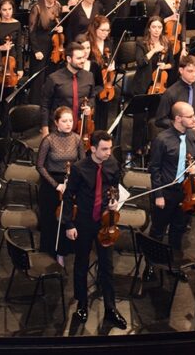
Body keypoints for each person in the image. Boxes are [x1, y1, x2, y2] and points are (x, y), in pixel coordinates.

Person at [61, 130, 126, 328]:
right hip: (84, 222)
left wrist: (114, 201)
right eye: (104, 149)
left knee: (107, 266)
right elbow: (67, 197)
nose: (108, 153)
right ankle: (82, 303)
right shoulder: (80, 169)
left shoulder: (112, 164)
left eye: (110, 148)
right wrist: (69, 225)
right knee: (81, 264)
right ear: (93, 148)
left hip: (105, 222)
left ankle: (110, 308)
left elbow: (114, 187)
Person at [148, 101, 195, 252]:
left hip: (186, 193)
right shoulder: (162, 139)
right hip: (166, 191)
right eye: (190, 117)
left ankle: (173, 263)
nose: (194, 120)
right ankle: (151, 265)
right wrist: (158, 195)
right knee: (158, 231)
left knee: (178, 230)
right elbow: (154, 169)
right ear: (178, 118)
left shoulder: (193, 136)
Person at [35, 106, 84, 262]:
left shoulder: (77, 139)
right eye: (64, 121)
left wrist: (74, 183)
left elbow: (82, 164)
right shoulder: (48, 140)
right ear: (56, 123)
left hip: (70, 182)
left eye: (70, 120)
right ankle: (50, 252)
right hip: (51, 183)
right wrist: (56, 185)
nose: (69, 124)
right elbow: (40, 166)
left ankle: (63, 252)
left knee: (67, 217)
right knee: (51, 219)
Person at [130, 16, 174, 150]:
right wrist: (154, 50)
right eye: (154, 27)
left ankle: (152, 147)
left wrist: (165, 66)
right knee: (139, 120)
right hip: (142, 86)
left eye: (159, 27)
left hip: (159, 86)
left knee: (154, 119)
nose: (156, 30)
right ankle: (137, 148)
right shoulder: (141, 43)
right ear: (149, 28)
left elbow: (172, 64)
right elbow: (140, 62)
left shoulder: (167, 43)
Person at [40, 42, 96, 135]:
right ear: (69, 59)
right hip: (58, 129)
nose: (83, 60)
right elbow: (45, 105)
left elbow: (92, 96)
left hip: (81, 127)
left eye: (83, 57)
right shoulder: (54, 78)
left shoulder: (89, 76)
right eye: (78, 58)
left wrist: (89, 106)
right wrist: (45, 129)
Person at [154, 54, 195, 130]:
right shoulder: (170, 92)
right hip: (175, 135)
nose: (194, 75)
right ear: (181, 70)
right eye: (190, 71)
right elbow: (160, 120)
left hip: (194, 133)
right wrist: (180, 124)